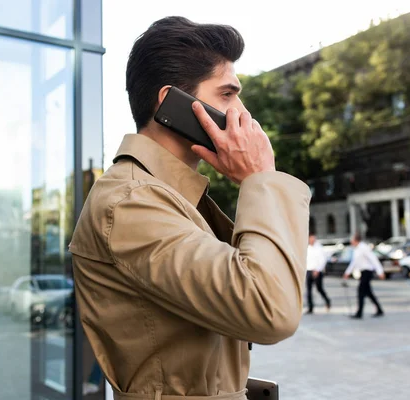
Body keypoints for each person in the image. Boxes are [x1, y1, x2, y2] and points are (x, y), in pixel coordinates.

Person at [69, 16, 311, 400]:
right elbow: (271, 309)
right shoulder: (131, 202)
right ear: (172, 104)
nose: (242, 113)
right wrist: (260, 178)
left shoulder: (167, 196)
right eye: (228, 95)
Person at [343, 234, 385, 319]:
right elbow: (354, 262)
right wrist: (347, 272)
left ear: (356, 240)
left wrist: (380, 271)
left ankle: (359, 313)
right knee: (369, 293)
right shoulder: (356, 249)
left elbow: (373, 259)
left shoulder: (364, 248)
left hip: (367, 272)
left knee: (361, 292)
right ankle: (379, 310)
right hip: (363, 272)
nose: (351, 242)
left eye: (352, 240)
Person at [305, 233, 331, 314]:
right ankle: (310, 308)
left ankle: (327, 301)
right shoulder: (307, 248)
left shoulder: (319, 248)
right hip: (309, 270)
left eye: (313, 238)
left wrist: (318, 270)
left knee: (319, 289)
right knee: (308, 290)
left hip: (317, 271)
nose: (312, 240)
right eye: (311, 238)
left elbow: (323, 260)